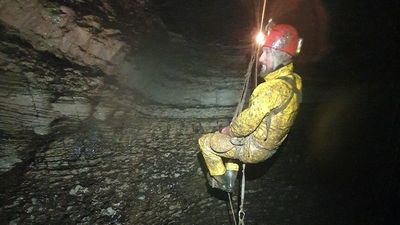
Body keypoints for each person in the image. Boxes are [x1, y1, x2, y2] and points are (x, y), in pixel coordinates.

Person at [198, 24, 303, 192]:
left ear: (276, 56)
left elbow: (245, 125)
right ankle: (231, 176)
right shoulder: (295, 81)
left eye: (265, 53)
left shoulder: (270, 89)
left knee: (206, 142)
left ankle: (222, 182)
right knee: (231, 144)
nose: (260, 58)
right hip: (269, 146)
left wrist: (228, 131)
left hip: (254, 149)